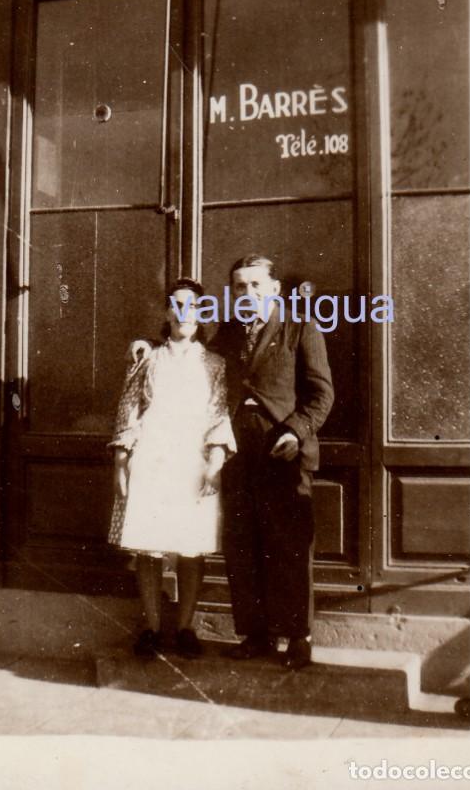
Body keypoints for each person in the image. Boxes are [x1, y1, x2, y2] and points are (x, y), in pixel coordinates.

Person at [211, 254, 334, 669]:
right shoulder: (226, 334)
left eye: (256, 285)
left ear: (275, 288)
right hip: (236, 452)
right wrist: (150, 343)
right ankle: (256, 633)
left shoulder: (301, 327)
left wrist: (295, 431)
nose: (248, 294)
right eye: (240, 287)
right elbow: (195, 363)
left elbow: (322, 394)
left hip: (283, 452)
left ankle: (299, 636)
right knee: (243, 543)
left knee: (290, 547)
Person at [108, 278, 236, 659]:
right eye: (177, 305)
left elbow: (219, 412)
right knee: (148, 550)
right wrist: (121, 461)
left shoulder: (215, 364)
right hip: (152, 459)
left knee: (190, 549)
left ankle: (184, 628)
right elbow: (129, 410)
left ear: (203, 314)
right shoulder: (147, 358)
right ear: (167, 312)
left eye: (193, 306)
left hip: (192, 463)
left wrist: (215, 462)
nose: (184, 312)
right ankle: (150, 628)